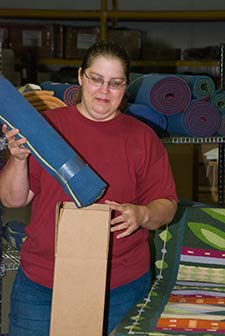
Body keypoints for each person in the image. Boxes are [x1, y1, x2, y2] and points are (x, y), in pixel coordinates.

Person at [0, 40, 178, 336]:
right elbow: (13, 199)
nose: (104, 91)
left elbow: (167, 205)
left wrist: (143, 213)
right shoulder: (45, 128)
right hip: (44, 284)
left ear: (126, 87)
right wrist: (18, 160)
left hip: (120, 287)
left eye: (115, 83)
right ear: (81, 77)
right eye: (96, 79)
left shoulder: (142, 138)